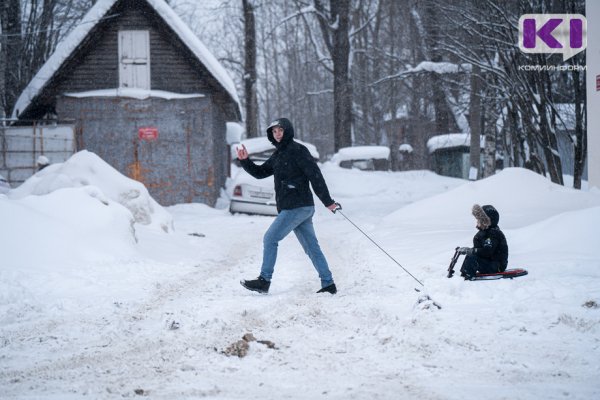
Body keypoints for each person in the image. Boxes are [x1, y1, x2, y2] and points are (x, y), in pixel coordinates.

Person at [237, 117, 339, 294]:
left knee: (270, 238)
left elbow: (315, 175)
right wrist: (245, 161)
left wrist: (327, 201)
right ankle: (328, 284)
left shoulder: (298, 150)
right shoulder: (278, 154)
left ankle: (264, 280)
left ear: (287, 131)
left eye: (280, 130)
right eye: (274, 131)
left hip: (297, 206)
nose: (277, 134)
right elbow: (261, 173)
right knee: (311, 247)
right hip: (297, 207)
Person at [458, 204, 509, 280]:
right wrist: (469, 250)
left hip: (497, 266)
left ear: (486, 221)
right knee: (470, 256)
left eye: (479, 220)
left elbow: (487, 251)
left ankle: (467, 277)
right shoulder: (484, 233)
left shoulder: (493, 234)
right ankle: (464, 274)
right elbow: (479, 250)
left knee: (473, 258)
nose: (477, 222)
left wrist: (472, 251)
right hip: (490, 262)